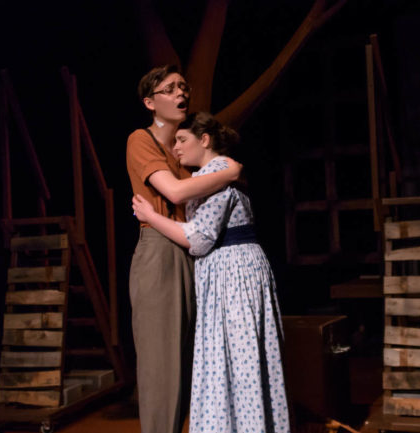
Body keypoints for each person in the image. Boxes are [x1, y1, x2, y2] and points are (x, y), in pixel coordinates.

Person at [132, 112, 290, 433]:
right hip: (231, 271)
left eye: (182, 140)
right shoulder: (216, 174)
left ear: (204, 140)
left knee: (237, 364)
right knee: (232, 362)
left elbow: (199, 240)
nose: (176, 148)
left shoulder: (216, 172)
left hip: (233, 274)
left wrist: (151, 216)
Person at [126, 66, 242, 433]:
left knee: (191, 361)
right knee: (161, 365)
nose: (181, 94)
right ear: (150, 102)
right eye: (169, 89)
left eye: (183, 87)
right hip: (160, 249)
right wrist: (230, 171)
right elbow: (174, 193)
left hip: (193, 248)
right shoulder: (140, 139)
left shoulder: (183, 146)